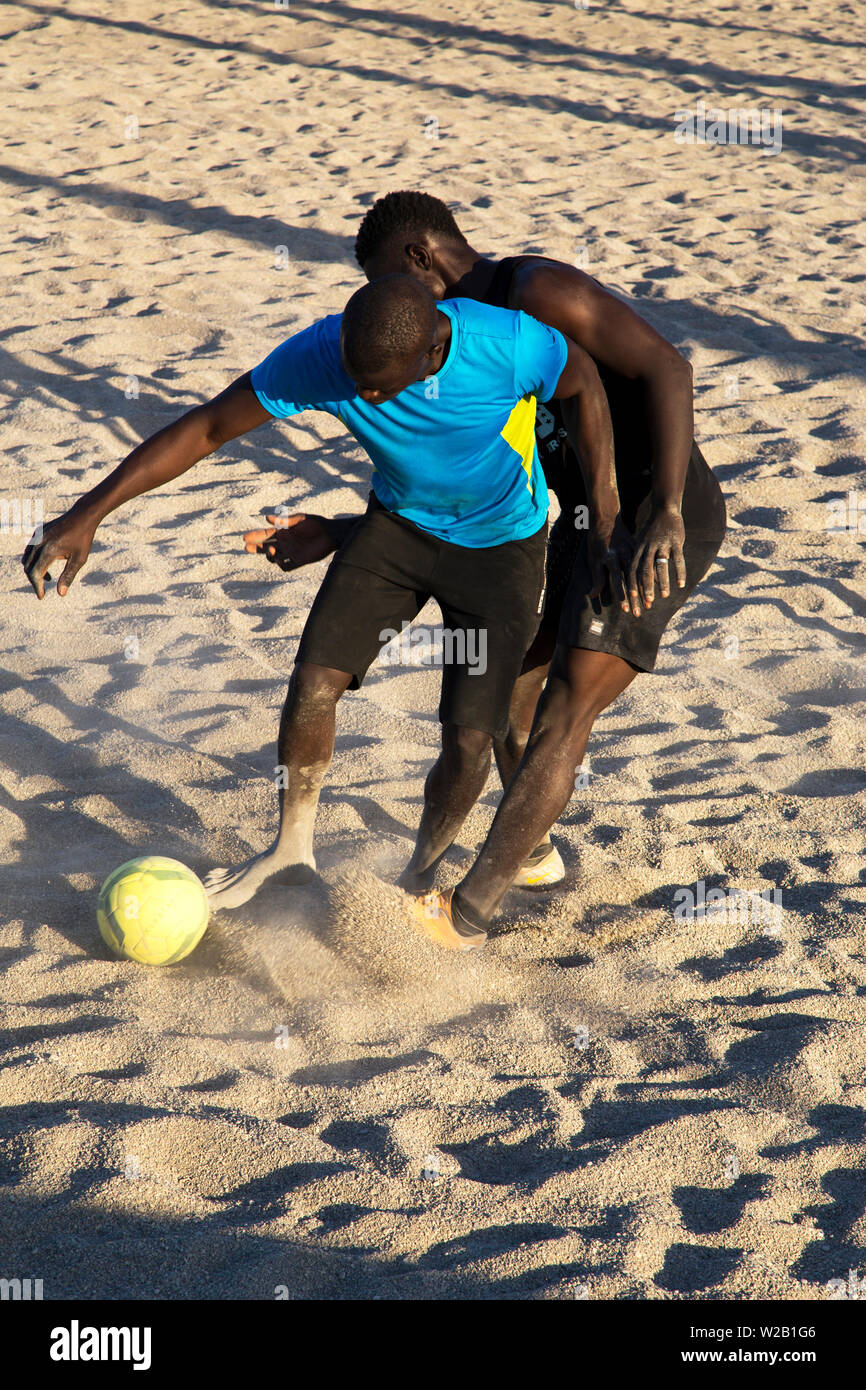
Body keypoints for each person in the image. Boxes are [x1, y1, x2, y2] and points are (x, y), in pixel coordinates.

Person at [23, 274, 622, 917]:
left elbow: (584, 381)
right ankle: (291, 850)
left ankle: (418, 876)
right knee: (314, 682)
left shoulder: (504, 344)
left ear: (430, 356)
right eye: (355, 380)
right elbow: (207, 427)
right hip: (396, 528)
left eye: (380, 386)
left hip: (501, 547)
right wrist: (89, 513)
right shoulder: (323, 355)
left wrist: (606, 520)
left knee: (471, 737)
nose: (363, 395)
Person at [245, 192, 727, 938]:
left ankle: (467, 914)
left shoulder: (536, 293)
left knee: (567, 706)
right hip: (577, 518)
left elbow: (668, 368)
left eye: (386, 281)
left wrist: (662, 507)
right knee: (508, 701)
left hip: (657, 521)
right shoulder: (458, 348)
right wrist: (347, 531)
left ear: (419, 260)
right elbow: (452, 488)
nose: (387, 305)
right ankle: (532, 850)